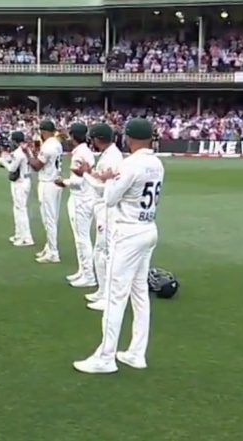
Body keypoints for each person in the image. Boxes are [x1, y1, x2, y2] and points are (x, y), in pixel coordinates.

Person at [72, 118, 165, 374]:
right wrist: (103, 178)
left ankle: (105, 357)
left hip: (128, 233)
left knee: (115, 295)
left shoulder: (131, 164)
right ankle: (136, 352)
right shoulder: (157, 163)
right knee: (139, 295)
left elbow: (110, 198)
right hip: (148, 229)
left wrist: (105, 178)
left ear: (129, 138)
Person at [82, 123, 124, 310]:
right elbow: (101, 178)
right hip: (102, 208)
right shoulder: (109, 154)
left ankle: (108, 296)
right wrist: (93, 174)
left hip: (107, 209)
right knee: (100, 251)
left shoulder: (113, 157)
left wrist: (86, 175)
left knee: (103, 251)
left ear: (97, 139)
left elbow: (103, 188)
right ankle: (102, 290)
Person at [55, 123, 96, 287]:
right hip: (84, 198)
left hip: (81, 199)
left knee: (82, 239)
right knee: (81, 238)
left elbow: (79, 181)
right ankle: (83, 271)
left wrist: (63, 181)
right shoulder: (84, 151)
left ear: (73, 136)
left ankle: (88, 275)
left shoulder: (80, 154)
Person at [27, 120, 63, 264]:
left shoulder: (48, 145)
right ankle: (49, 247)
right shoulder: (57, 143)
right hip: (55, 181)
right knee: (51, 217)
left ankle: (53, 252)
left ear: (44, 131)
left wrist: (28, 155)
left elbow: (36, 166)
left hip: (48, 182)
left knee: (49, 219)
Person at [0, 131, 33, 247]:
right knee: (17, 208)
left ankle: (26, 238)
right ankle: (19, 234)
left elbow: (12, 168)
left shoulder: (19, 152)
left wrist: (3, 162)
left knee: (21, 209)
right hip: (23, 180)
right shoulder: (25, 150)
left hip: (21, 182)